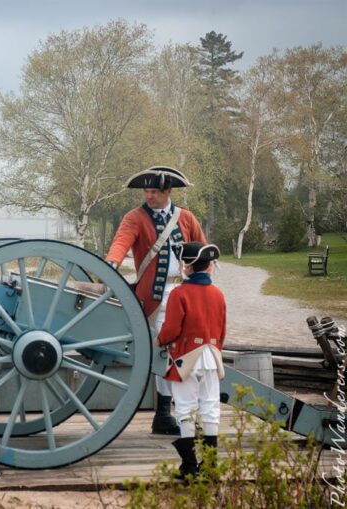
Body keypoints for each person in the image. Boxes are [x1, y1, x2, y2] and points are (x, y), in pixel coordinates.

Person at [105, 166, 207, 435]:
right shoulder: (135, 217)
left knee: (190, 353)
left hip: (186, 294)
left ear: (167, 192)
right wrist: (111, 265)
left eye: (154, 192)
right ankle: (163, 414)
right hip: (155, 300)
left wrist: (204, 285)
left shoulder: (185, 218)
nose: (148, 197)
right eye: (146, 192)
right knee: (164, 354)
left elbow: (204, 251)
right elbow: (121, 243)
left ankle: (188, 411)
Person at [157, 241, 225, 480]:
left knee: (185, 408)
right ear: (207, 266)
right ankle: (210, 465)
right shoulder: (218, 293)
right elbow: (222, 329)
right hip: (211, 356)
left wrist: (160, 340)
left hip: (186, 357)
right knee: (210, 408)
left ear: (187, 266)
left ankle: (189, 466)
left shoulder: (179, 293)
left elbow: (171, 329)